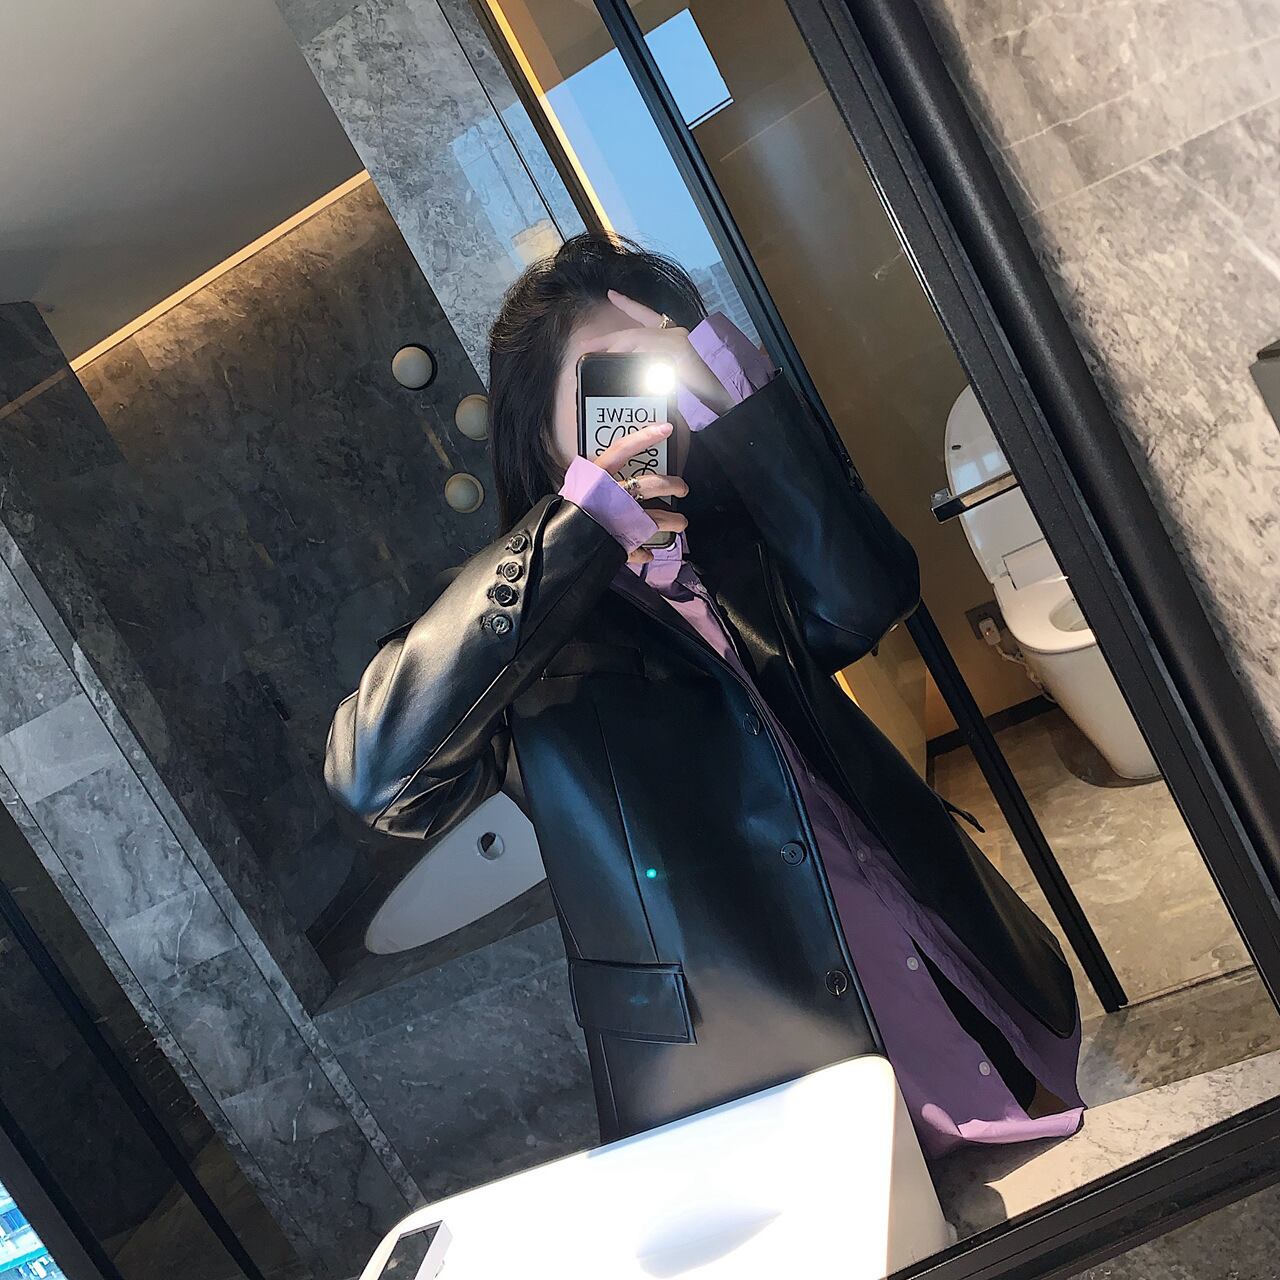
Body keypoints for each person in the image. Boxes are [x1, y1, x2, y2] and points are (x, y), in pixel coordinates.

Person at [324, 233, 1085, 1158]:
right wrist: (582, 531)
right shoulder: (504, 626)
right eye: (606, 380)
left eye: (653, 373)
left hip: (930, 949)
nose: (639, 407)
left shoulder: (730, 546)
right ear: (537, 427)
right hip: (747, 1051)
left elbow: (868, 597)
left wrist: (730, 382)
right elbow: (374, 779)